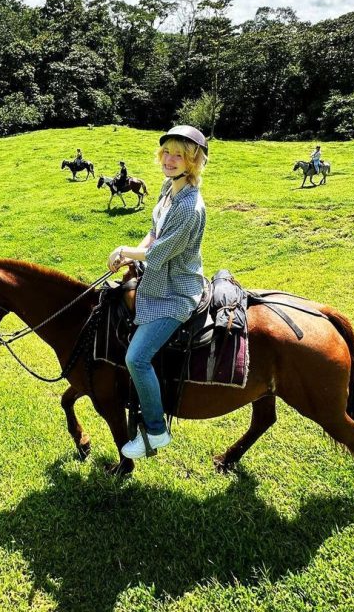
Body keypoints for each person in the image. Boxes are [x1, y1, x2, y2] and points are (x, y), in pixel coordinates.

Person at [107, 125, 208, 459]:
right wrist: (131, 252)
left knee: (137, 357)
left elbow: (160, 251)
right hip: (156, 279)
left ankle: (156, 430)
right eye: (166, 152)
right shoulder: (168, 188)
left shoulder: (189, 207)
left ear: (193, 161)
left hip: (176, 292)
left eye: (180, 154)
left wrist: (125, 250)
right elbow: (152, 233)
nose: (170, 160)